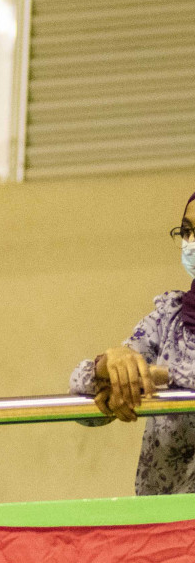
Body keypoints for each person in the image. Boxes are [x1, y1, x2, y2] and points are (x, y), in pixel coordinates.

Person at [66, 193, 192, 494]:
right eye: (186, 231)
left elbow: (160, 374)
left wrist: (163, 375)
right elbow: (80, 394)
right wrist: (108, 366)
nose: (191, 242)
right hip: (165, 525)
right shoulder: (168, 318)